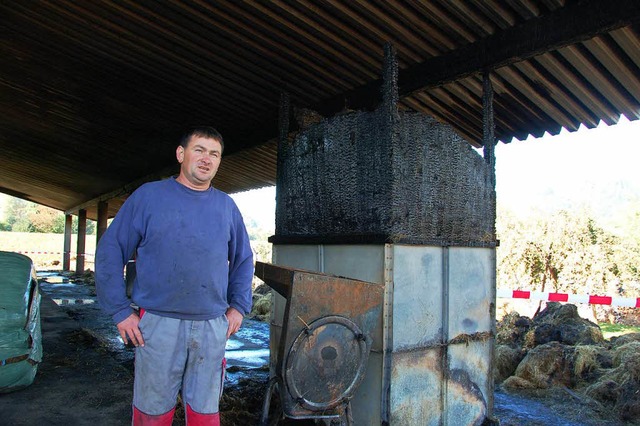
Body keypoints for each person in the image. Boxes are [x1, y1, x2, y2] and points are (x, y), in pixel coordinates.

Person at [95, 126, 254, 425]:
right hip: (157, 323)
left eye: (214, 154)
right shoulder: (149, 197)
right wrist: (119, 310)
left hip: (211, 325)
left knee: (205, 414)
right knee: (152, 412)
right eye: (199, 150)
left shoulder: (227, 207)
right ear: (181, 154)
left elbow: (244, 259)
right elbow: (110, 251)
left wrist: (239, 306)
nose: (207, 159)